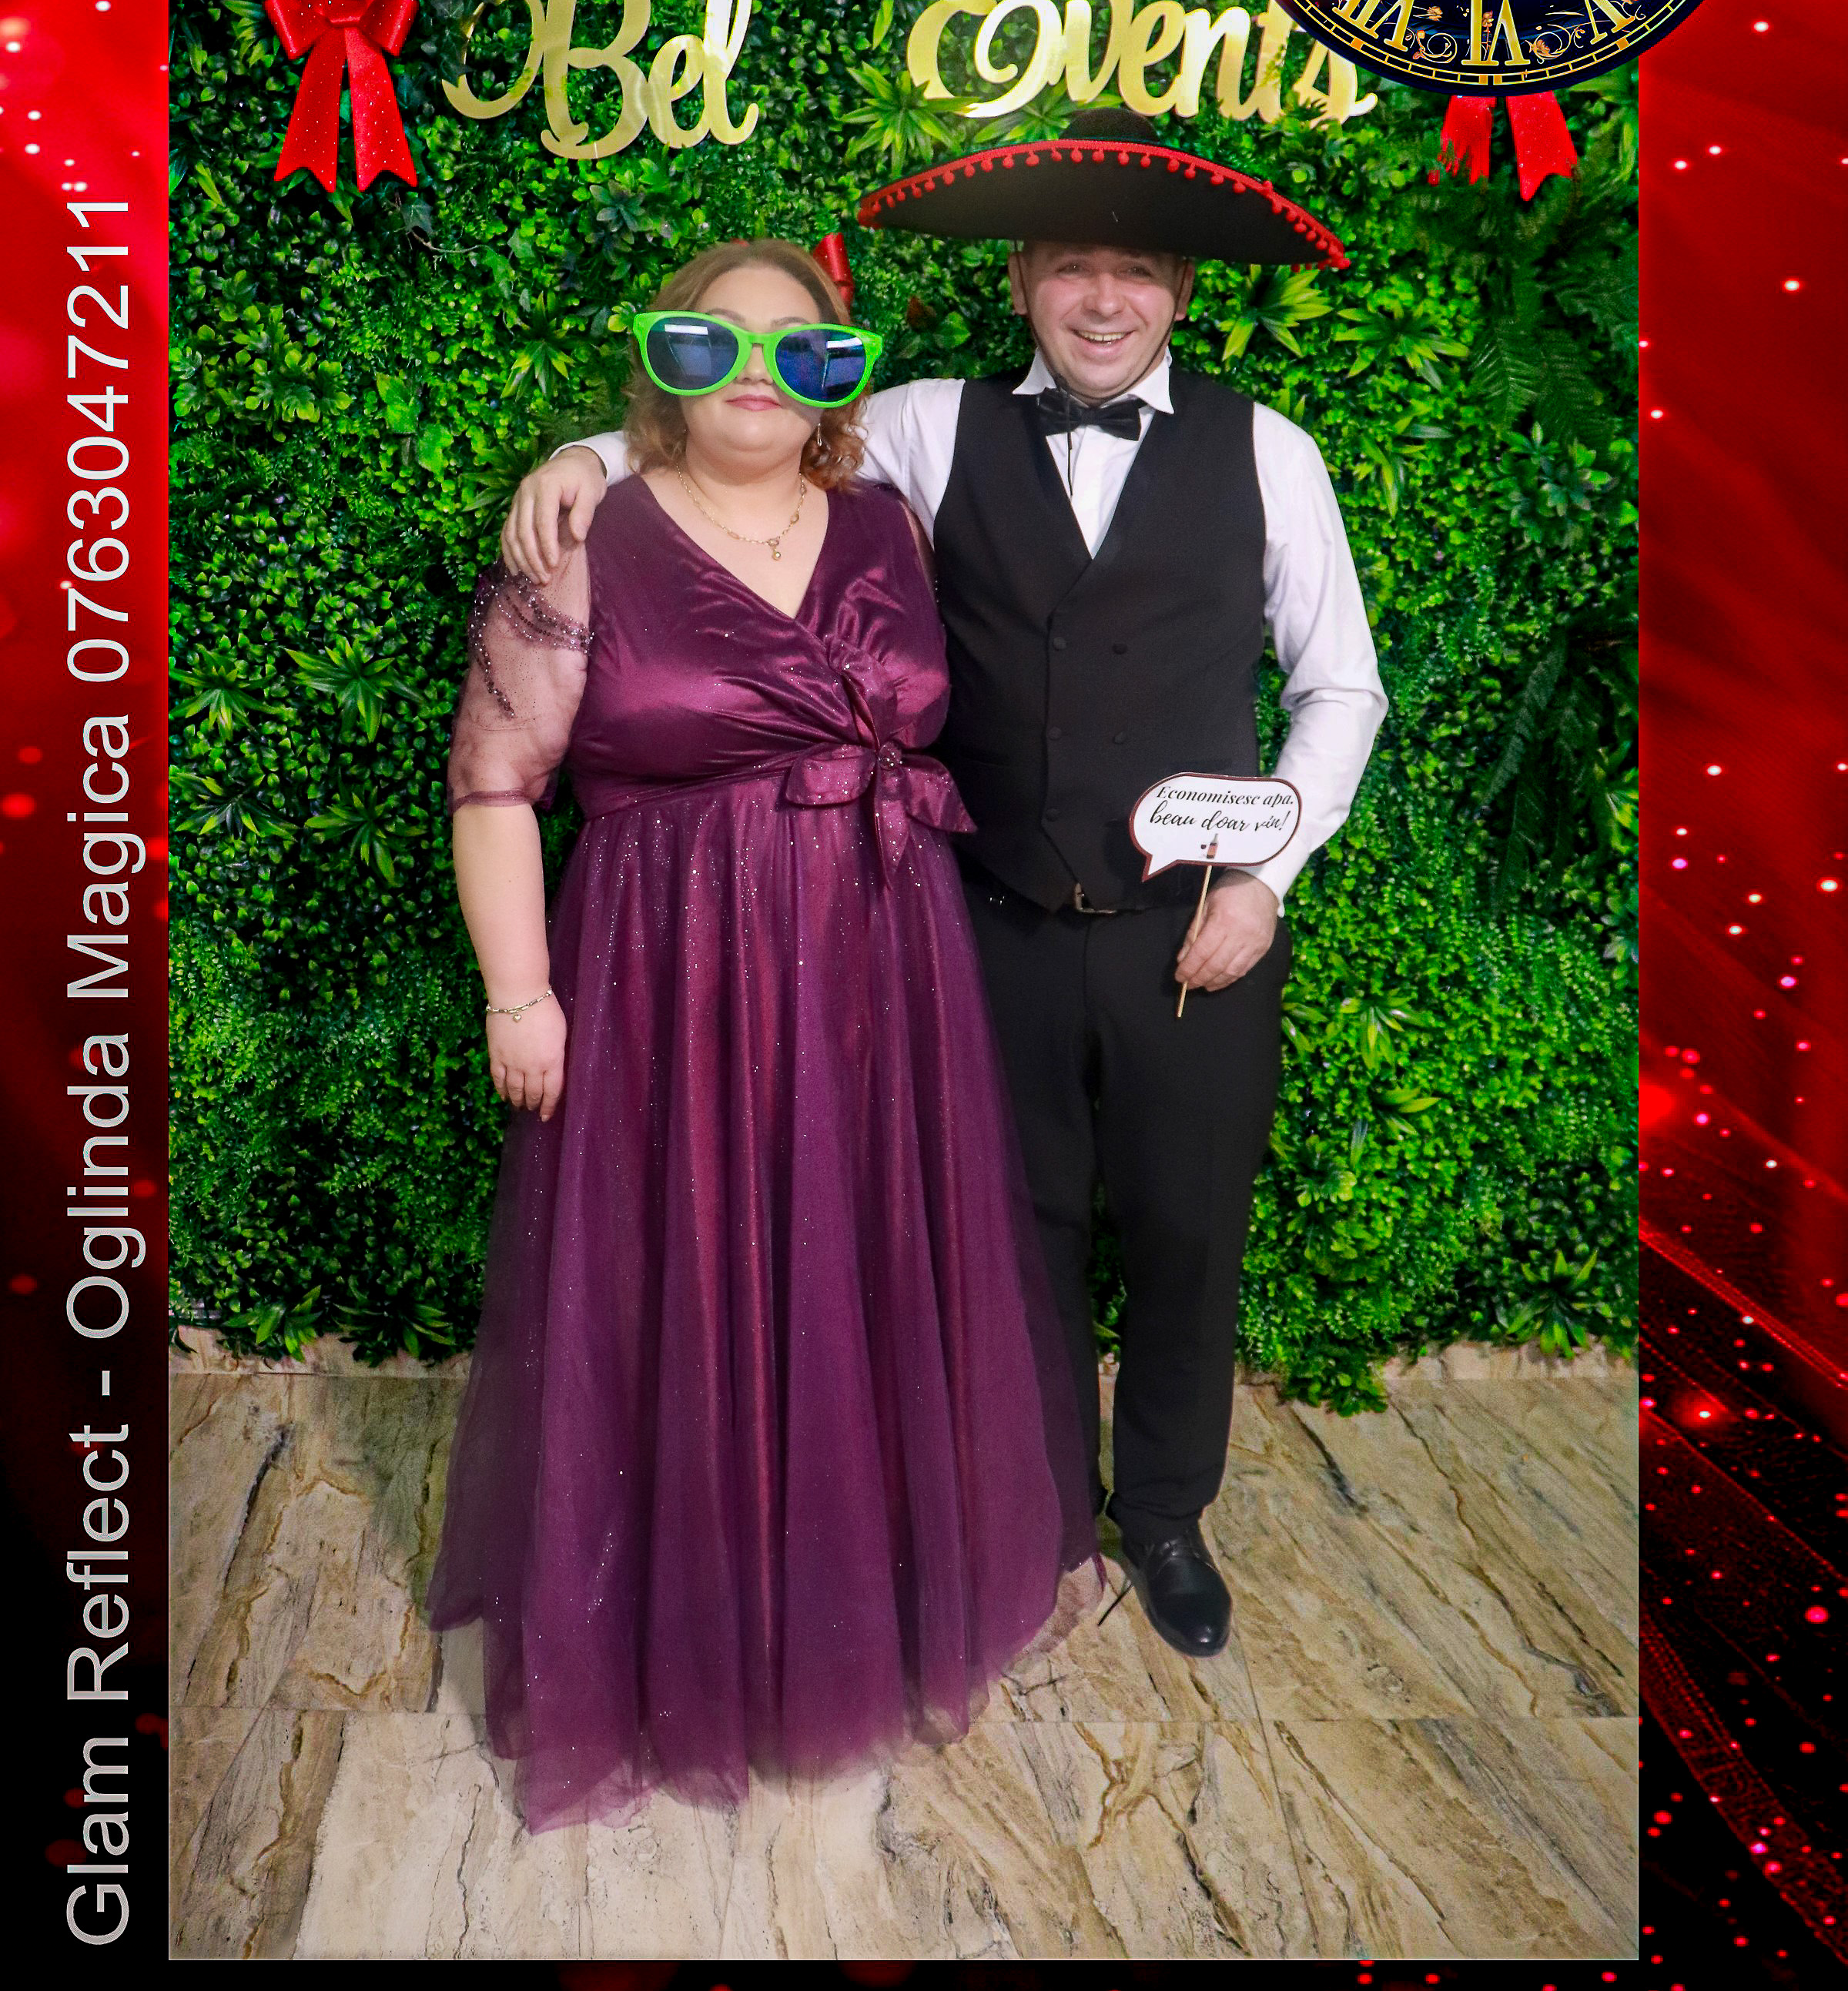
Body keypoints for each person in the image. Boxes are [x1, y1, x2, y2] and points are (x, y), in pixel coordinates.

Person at [502, 110, 1387, 1662]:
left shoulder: (1272, 450)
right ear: (1025, 280)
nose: (1103, 299)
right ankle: (1029, 1512)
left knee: (1187, 1236)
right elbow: (750, 423)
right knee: (1004, 1237)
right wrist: (580, 460)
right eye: (1072, 267)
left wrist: (1267, 875)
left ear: (1179, 292)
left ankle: (1165, 1515)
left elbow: (1342, 691)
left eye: (1135, 272)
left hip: (1197, 931)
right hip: (985, 928)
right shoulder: (926, 423)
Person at [430, 237, 1098, 1834]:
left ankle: (864, 1613)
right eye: (710, 342)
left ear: (838, 378)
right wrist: (521, 991)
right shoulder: (584, 535)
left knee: (867, 1282)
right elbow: (497, 782)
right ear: (660, 363)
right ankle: (700, 1643)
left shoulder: (890, 521)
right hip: (673, 979)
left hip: (886, 974)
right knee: (689, 1285)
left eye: (798, 349)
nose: (752, 374)